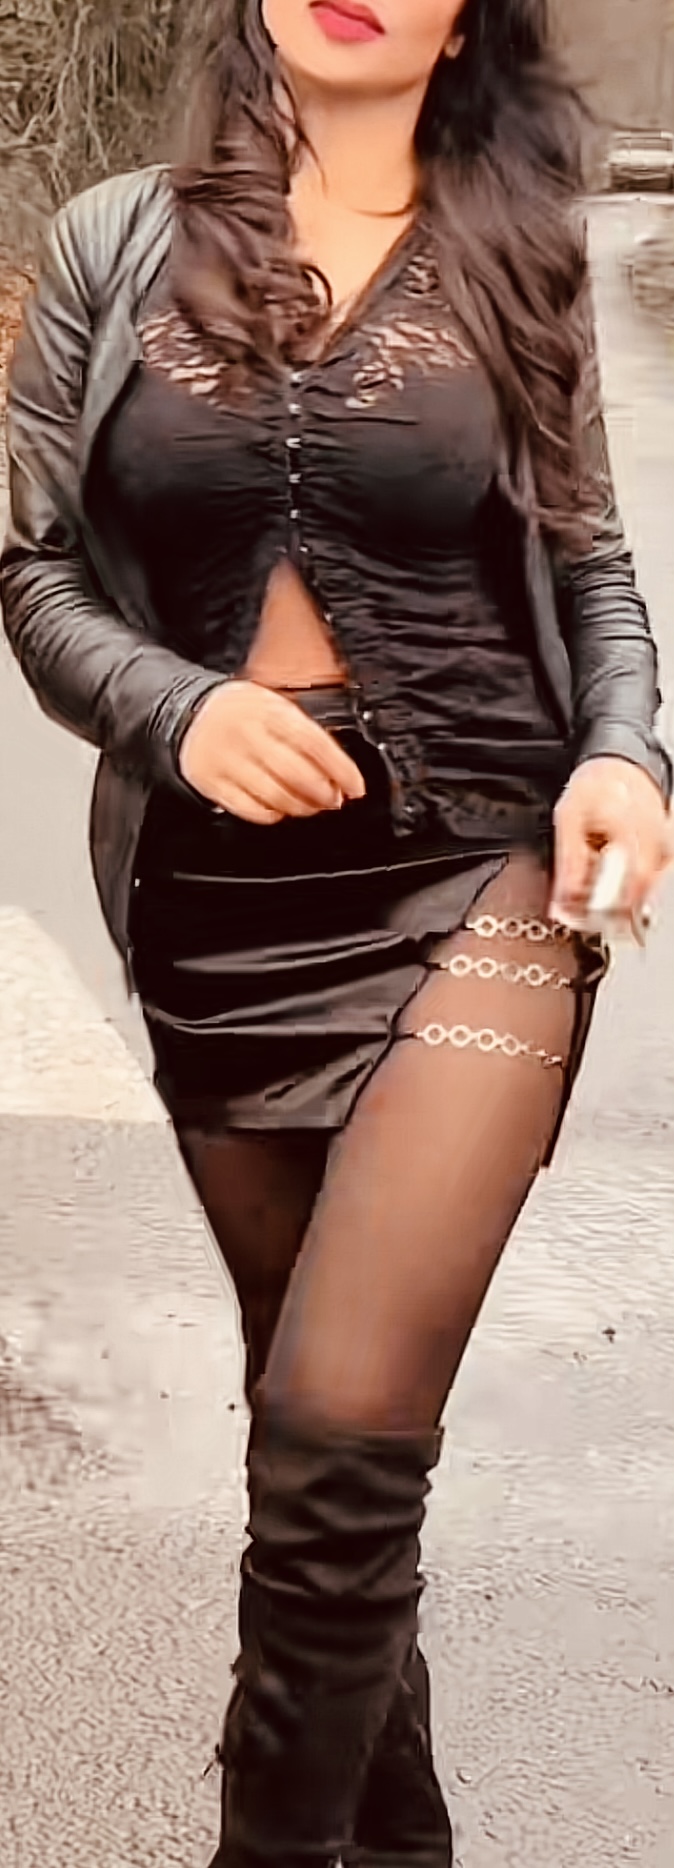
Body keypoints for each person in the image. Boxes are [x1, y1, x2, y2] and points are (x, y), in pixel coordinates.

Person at [1, 2, 671, 1863]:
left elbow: (589, 560)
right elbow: (34, 567)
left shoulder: (514, 241)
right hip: (216, 901)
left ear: (467, 22)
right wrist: (177, 706)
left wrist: (623, 755)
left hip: (480, 866)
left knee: (345, 1416)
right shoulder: (116, 238)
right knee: (311, 1430)